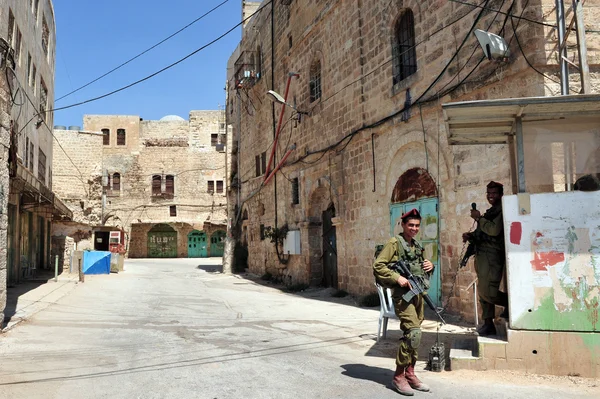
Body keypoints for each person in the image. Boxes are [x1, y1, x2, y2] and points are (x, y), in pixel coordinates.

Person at [373, 208, 434, 396]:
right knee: (413, 332)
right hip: (403, 296)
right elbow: (378, 266)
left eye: (417, 225)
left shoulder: (417, 246)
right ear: (403, 225)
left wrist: (430, 266)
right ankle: (399, 376)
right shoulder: (394, 243)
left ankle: (410, 372)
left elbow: (420, 269)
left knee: (415, 334)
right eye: (411, 225)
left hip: (417, 294)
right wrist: (397, 278)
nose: (414, 228)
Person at [462, 181, 509, 336]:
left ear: (501, 194)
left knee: (488, 291)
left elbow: (494, 230)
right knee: (483, 289)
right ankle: (488, 323)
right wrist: (471, 236)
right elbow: (483, 232)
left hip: (492, 257)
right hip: (483, 256)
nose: (491, 196)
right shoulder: (492, 211)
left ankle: (510, 302)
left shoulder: (503, 210)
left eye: (494, 193)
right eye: (488, 193)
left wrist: (479, 218)